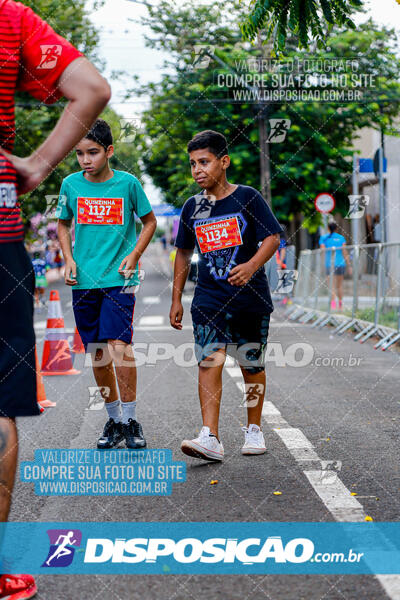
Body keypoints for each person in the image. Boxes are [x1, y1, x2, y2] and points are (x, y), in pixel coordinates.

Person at [0, 0, 111, 596]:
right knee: (0, 399)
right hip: (0, 237)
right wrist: (40, 163)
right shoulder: (10, 19)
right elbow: (91, 88)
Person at [169, 130, 282, 462]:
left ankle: (254, 429)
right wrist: (176, 298)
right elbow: (182, 252)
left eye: (204, 162)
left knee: (251, 364)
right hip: (208, 298)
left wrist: (250, 266)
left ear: (223, 162)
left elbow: (273, 237)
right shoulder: (192, 206)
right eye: (192, 164)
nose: (197, 170)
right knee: (209, 359)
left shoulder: (246, 197)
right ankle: (210, 437)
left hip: (250, 298)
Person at [57, 119, 157, 450]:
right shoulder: (71, 185)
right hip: (84, 280)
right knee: (97, 351)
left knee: (119, 344)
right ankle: (114, 420)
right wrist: (69, 259)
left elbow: (149, 221)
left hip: (121, 278)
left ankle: (131, 419)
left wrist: (135, 254)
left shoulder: (128, 184)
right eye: (80, 154)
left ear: (109, 151)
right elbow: (62, 225)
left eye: (93, 152)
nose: (86, 160)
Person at [319, 221, 352, 311]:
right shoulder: (341, 238)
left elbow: (323, 251)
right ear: (337, 228)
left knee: (331, 286)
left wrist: (322, 264)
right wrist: (349, 265)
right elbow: (344, 252)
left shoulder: (323, 238)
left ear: (328, 228)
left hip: (329, 264)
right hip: (340, 263)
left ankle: (333, 305)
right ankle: (340, 305)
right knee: (340, 286)